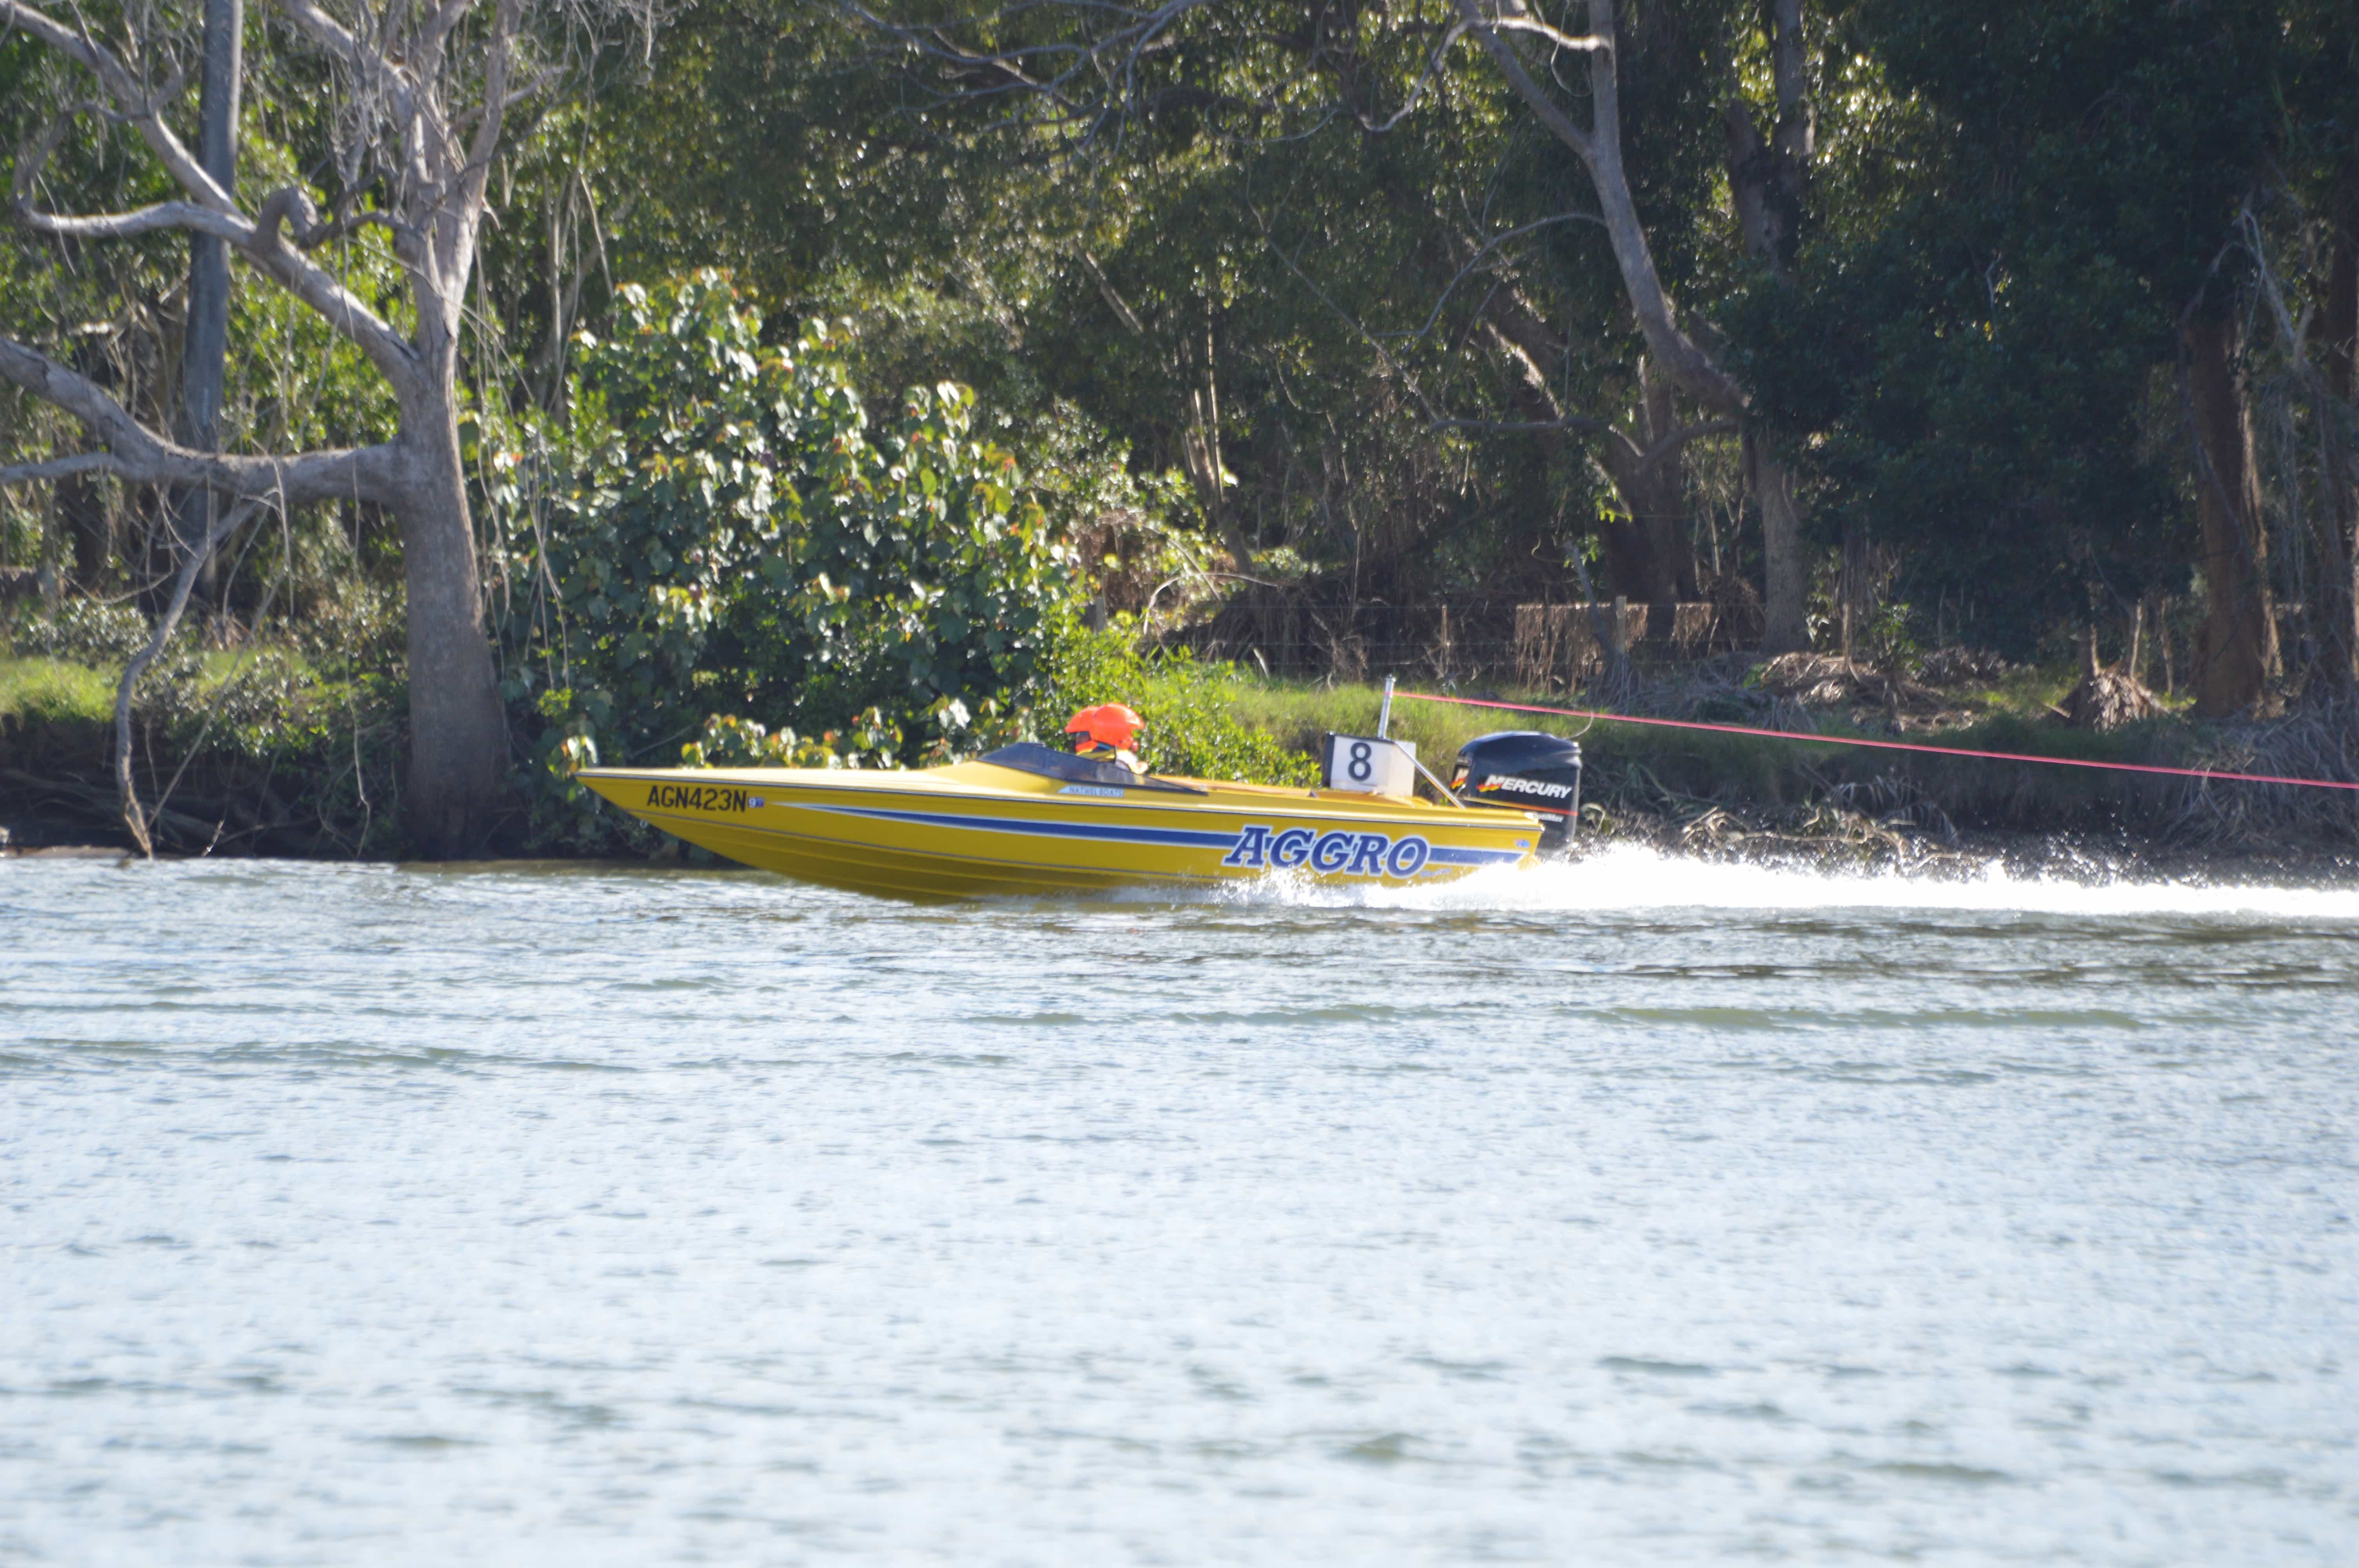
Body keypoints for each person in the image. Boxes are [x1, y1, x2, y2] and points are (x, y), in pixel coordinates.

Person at [1064, 703, 1146, 773]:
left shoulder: (1079, 760)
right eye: (1129, 732)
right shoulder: (1124, 762)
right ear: (1119, 731)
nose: (1078, 739)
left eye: (1082, 735)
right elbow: (1137, 784)